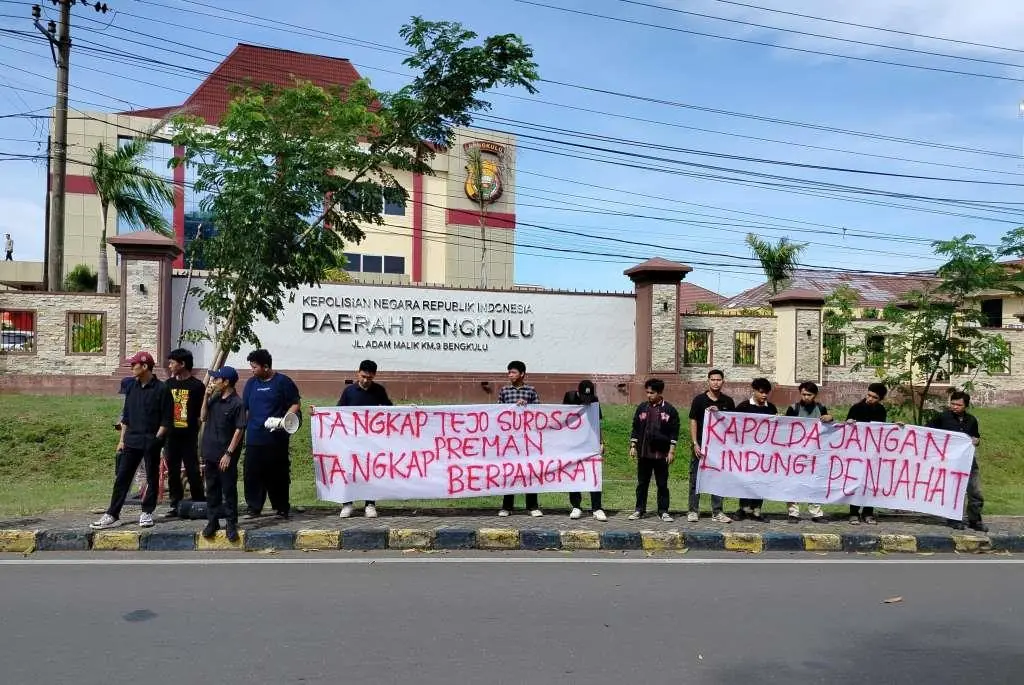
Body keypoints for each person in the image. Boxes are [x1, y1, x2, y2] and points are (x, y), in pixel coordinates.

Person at [90, 351, 172, 529]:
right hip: (131, 440)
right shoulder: (131, 387)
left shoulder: (162, 389)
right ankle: (112, 514)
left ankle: (147, 512)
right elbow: (125, 417)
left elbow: (167, 420)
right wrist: (121, 440)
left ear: (144, 366)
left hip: (151, 441)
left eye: (133, 364)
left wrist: (156, 439)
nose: (130, 368)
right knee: (122, 478)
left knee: (152, 477)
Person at [242, 349, 301, 519]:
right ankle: (254, 507)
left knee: (278, 474)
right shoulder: (251, 384)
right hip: (254, 437)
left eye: (254, 367)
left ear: (266, 367)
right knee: (252, 473)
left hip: (276, 439)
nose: (252, 370)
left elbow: (295, 404)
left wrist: (283, 421)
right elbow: (245, 409)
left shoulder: (282, 382)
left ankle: (281, 507)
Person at [336, 359, 393, 519]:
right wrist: (318, 413)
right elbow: (337, 413)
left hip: (371, 440)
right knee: (349, 471)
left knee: (370, 472)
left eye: (369, 378)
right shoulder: (349, 392)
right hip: (351, 439)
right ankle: (347, 503)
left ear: (374, 376)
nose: (366, 380)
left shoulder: (379, 391)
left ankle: (370, 504)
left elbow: (390, 410)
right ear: (358, 373)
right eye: (363, 376)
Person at [927, 391, 986, 532]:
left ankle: (975, 520)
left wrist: (976, 441)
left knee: (975, 491)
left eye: (958, 404)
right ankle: (953, 518)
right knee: (953, 491)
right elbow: (926, 431)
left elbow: (976, 438)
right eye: (952, 403)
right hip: (949, 462)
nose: (954, 407)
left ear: (966, 406)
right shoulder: (942, 418)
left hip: (968, 462)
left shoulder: (971, 420)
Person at [200, 366, 246, 542]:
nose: (214, 382)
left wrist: (228, 453)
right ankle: (212, 522)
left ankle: (231, 524)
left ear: (226, 382)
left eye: (217, 379)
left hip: (225, 455)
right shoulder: (215, 399)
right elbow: (203, 417)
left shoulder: (237, 403)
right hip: (210, 452)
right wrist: (206, 396)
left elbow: (239, 430)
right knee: (211, 490)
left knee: (228, 490)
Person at [628, 378, 679, 522]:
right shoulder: (642, 408)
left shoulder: (669, 410)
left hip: (661, 454)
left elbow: (674, 432)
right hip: (644, 453)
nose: (649, 395)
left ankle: (663, 511)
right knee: (642, 483)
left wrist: (671, 451)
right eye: (647, 392)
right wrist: (633, 445)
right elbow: (636, 427)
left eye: (652, 392)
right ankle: (639, 509)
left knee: (662, 484)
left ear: (660, 392)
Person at [162, 348, 206, 517]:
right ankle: (175, 504)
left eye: (173, 362)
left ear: (182, 364)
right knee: (172, 471)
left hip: (188, 436)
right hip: (171, 436)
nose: (170, 365)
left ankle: (199, 501)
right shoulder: (168, 385)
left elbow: (200, 413)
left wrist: (196, 429)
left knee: (192, 469)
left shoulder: (197, 386)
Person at [496, 360, 543, 517]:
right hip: (509, 439)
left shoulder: (530, 390)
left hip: (527, 439)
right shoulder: (504, 390)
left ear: (522, 374)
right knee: (510, 471)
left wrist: (526, 406)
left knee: (529, 470)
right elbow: (497, 412)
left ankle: (532, 506)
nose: (510, 375)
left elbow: (538, 411)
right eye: (509, 372)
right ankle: (507, 506)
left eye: (513, 372)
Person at [687, 369, 733, 523]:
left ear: (723, 381)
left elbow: (732, 423)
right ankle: (693, 510)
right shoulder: (699, 400)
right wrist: (695, 443)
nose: (715, 382)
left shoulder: (728, 401)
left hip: (719, 448)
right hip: (701, 446)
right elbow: (693, 420)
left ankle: (717, 511)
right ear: (708, 381)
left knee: (718, 480)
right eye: (712, 379)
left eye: (718, 380)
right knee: (696, 478)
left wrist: (719, 413)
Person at [783, 381, 832, 523]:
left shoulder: (821, 408)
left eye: (809, 394)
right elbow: (785, 428)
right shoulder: (793, 408)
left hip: (815, 453)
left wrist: (830, 418)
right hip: (796, 452)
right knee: (793, 482)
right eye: (803, 394)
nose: (805, 397)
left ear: (815, 395)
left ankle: (816, 513)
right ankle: (793, 513)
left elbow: (828, 428)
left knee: (815, 482)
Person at [732, 377, 778, 522]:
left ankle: (757, 510)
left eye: (766, 393)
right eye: (761, 392)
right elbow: (733, 424)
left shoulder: (771, 408)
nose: (764, 395)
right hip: (746, 451)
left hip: (765, 452)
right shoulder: (743, 407)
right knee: (746, 480)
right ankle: (744, 508)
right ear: (754, 391)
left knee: (761, 480)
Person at [563, 380, 607, 522]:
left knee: (594, 473)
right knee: (574, 474)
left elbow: (597, 422)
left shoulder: (594, 400)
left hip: (590, 442)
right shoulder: (569, 397)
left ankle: (597, 507)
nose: (587, 401)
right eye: (584, 398)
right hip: (573, 443)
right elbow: (562, 417)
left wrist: (601, 441)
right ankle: (576, 505)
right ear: (578, 393)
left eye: (589, 398)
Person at [845, 382, 888, 525]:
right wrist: (849, 422)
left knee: (871, 482)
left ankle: (868, 512)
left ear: (880, 399)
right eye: (868, 395)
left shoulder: (881, 410)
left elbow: (881, 429)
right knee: (857, 481)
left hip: (873, 452)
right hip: (857, 453)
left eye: (874, 397)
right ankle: (853, 512)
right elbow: (846, 428)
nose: (870, 399)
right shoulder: (856, 408)